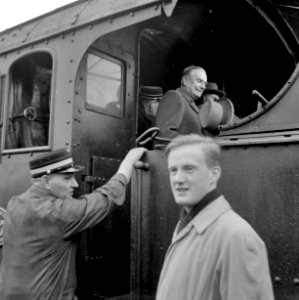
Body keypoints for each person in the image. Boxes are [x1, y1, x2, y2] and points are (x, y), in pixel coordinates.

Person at [0, 146, 146, 300]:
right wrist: (129, 161)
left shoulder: (14, 203)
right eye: (67, 178)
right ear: (45, 181)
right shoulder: (57, 213)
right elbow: (105, 199)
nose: (75, 184)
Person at [155, 134, 274, 300]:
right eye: (173, 170)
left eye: (189, 169)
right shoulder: (187, 225)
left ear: (214, 174)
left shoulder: (237, 237)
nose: (178, 179)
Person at [154, 65, 207, 147]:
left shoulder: (191, 104)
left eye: (205, 83)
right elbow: (164, 135)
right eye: (199, 81)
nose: (203, 87)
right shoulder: (174, 96)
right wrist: (195, 146)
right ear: (185, 81)